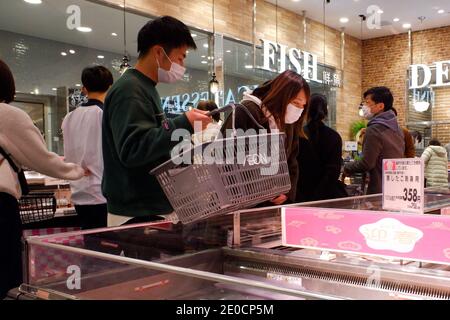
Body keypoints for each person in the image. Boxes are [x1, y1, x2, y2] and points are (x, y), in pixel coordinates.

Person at [102, 16, 211, 227]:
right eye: (180, 58)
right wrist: (183, 122)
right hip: (135, 214)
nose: (182, 65)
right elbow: (133, 149)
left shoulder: (145, 87)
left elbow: (152, 137)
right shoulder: (130, 89)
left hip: (147, 208)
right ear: (159, 52)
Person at [0, 59, 85, 299]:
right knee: (7, 279)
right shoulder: (7, 115)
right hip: (1, 208)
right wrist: (78, 171)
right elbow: (42, 159)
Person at [222, 70, 310, 204]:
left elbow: (292, 160)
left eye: (303, 106)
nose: (299, 110)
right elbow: (227, 157)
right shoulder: (246, 111)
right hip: (239, 202)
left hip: (272, 203)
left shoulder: (287, 121)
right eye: (296, 103)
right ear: (282, 95)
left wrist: (287, 191)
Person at [62, 66, 113, 230]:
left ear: (84, 89)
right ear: (110, 87)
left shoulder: (69, 117)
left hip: (78, 191)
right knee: (108, 248)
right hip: (102, 193)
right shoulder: (104, 114)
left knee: (90, 244)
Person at [344, 87, 404, 194]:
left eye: (367, 103)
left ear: (380, 106)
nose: (364, 107)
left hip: (377, 189)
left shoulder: (374, 129)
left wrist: (347, 167)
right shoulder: (397, 129)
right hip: (394, 188)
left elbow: (366, 163)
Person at [296, 94, 347, 202]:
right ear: (325, 112)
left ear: (306, 111)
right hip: (327, 196)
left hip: (301, 194)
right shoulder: (334, 136)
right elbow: (333, 171)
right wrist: (319, 196)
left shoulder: (298, 135)